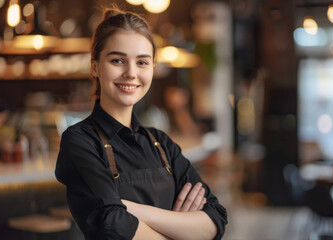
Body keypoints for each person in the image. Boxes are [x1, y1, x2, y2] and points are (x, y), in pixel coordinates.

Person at [55, 7, 227, 240]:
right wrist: (182, 229)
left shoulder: (161, 143)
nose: (131, 73)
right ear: (95, 66)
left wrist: (133, 209)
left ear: (153, 68)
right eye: (117, 60)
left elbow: (215, 219)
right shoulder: (80, 141)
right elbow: (113, 223)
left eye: (142, 62)